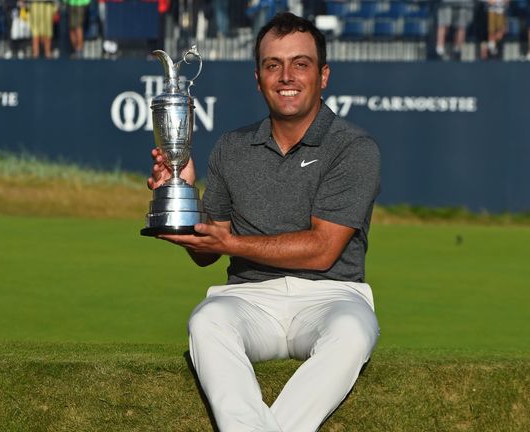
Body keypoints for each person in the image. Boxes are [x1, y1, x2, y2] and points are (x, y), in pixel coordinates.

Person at [148, 12, 380, 432]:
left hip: (332, 297)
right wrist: (181, 201)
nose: (286, 76)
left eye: (300, 63)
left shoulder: (354, 147)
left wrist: (230, 244)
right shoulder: (231, 147)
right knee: (206, 321)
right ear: (258, 78)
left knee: (353, 329)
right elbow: (207, 255)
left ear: (323, 75)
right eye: (273, 64)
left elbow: (322, 249)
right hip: (250, 299)